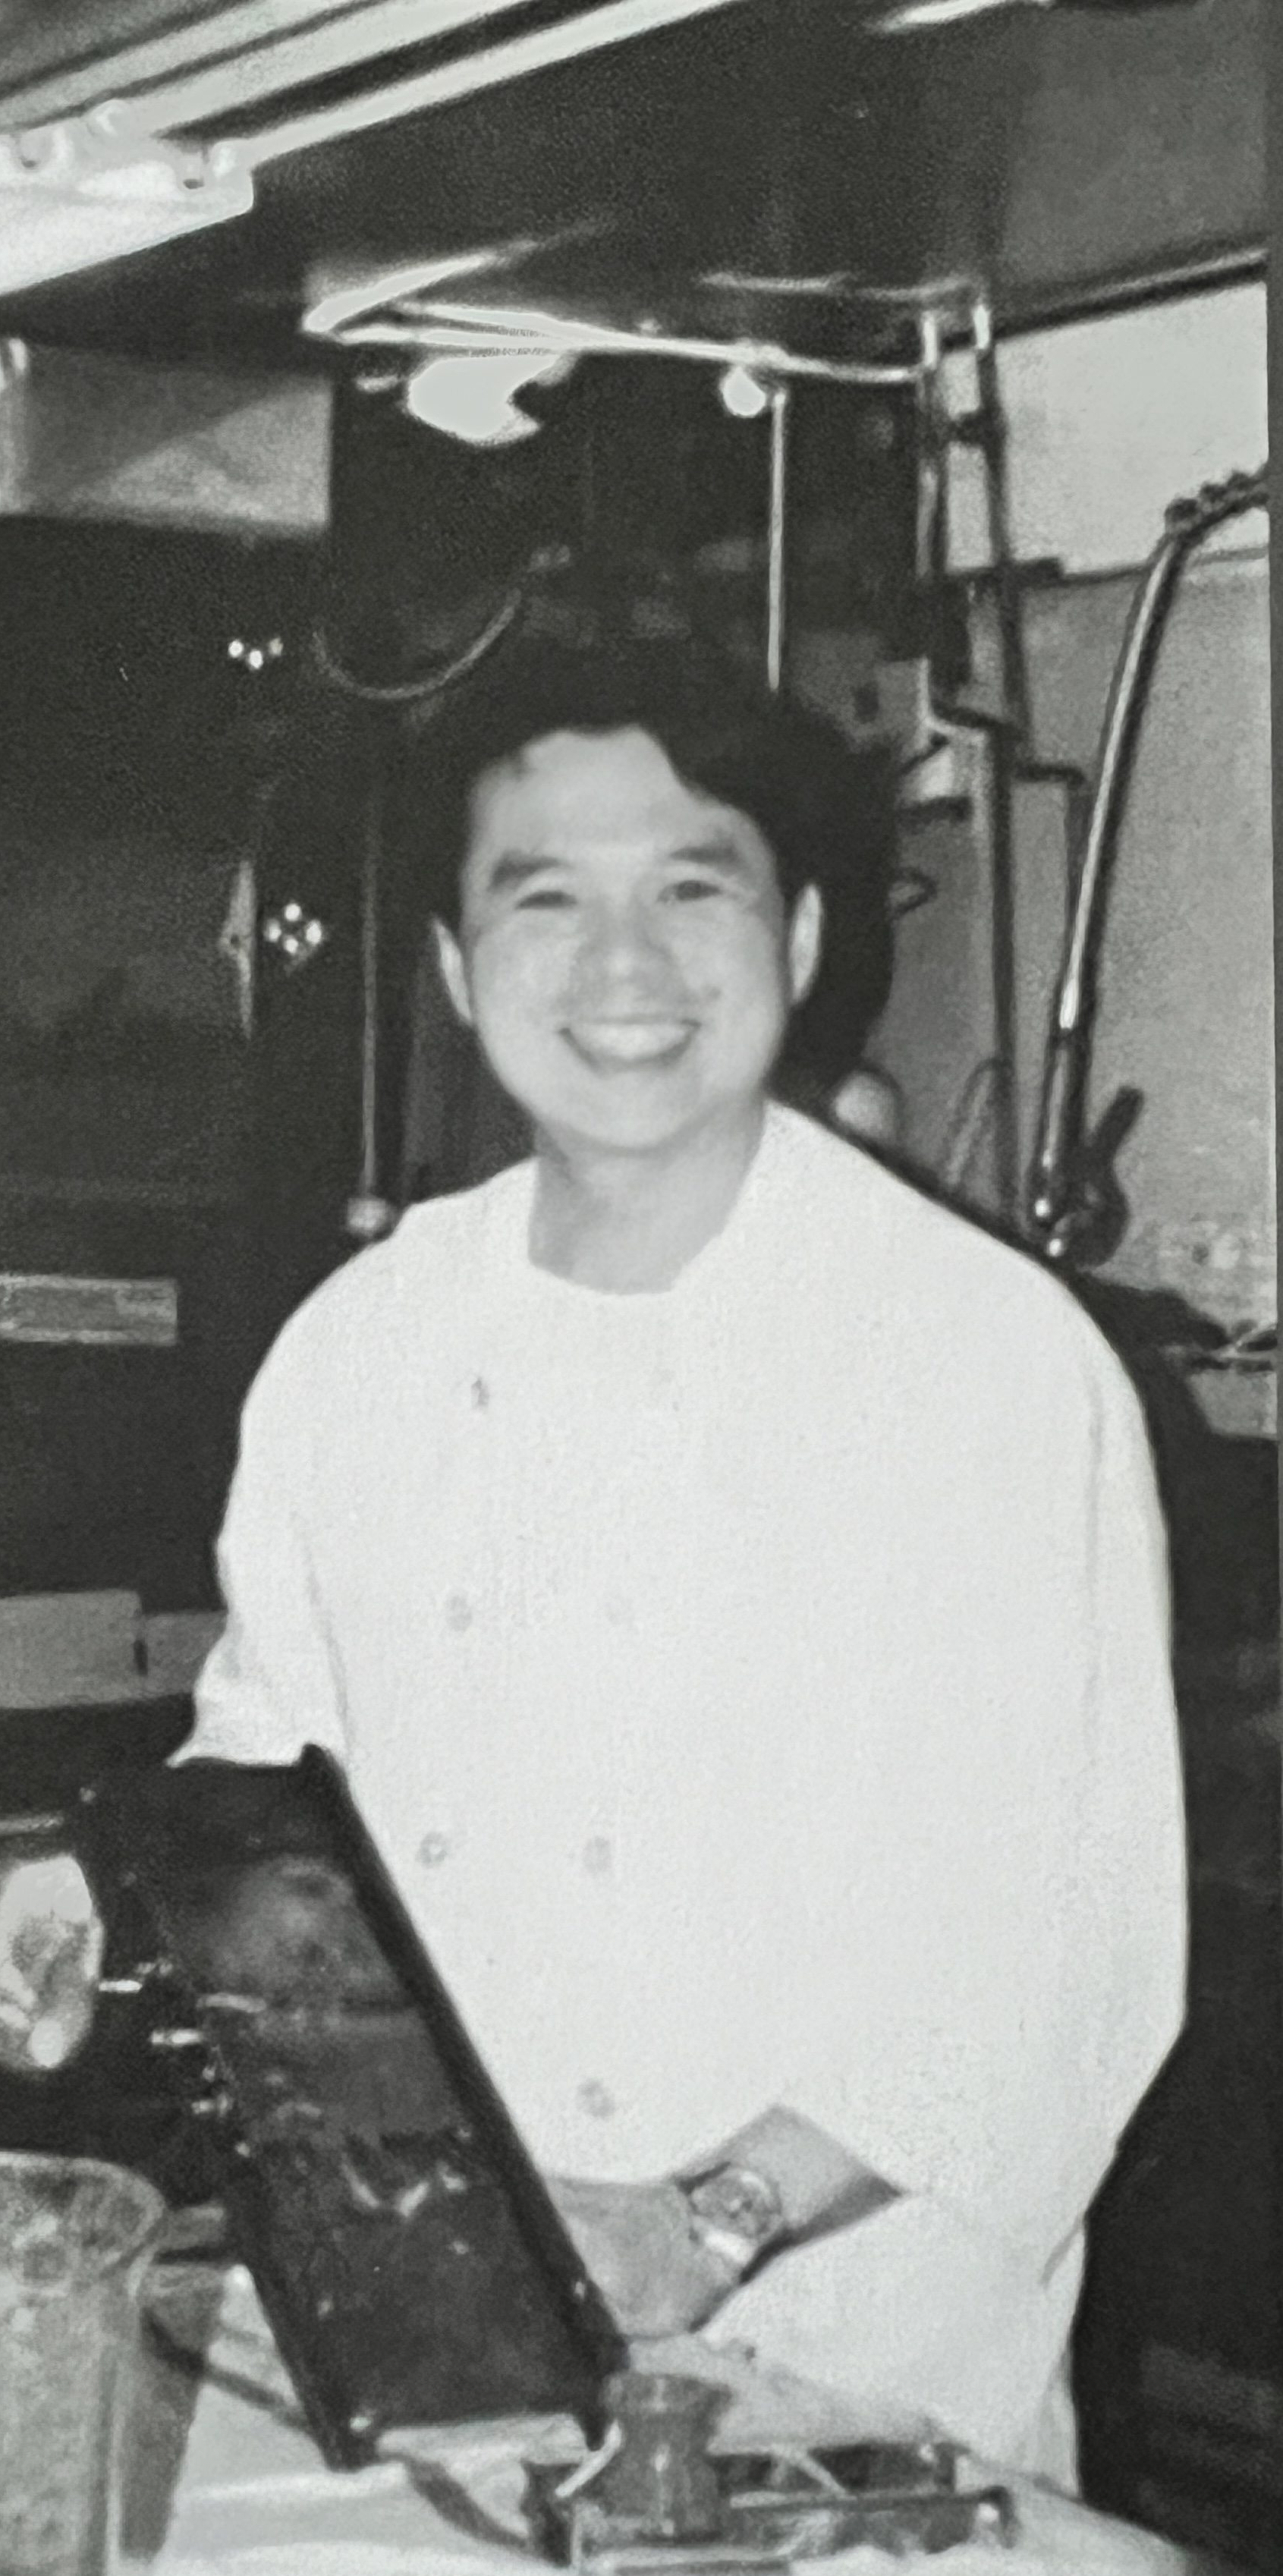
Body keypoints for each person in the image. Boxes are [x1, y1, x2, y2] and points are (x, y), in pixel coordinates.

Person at [181, 640, 1186, 2482]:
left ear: (798, 946)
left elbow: (1067, 1935)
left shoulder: (976, 1360)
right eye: (546, 899)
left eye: (690, 891)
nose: (624, 968)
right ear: (459, 969)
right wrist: (124, 1903)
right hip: (432, 2355)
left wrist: (707, 2223)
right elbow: (268, 1768)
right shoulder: (367, 1342)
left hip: (853, 2410)